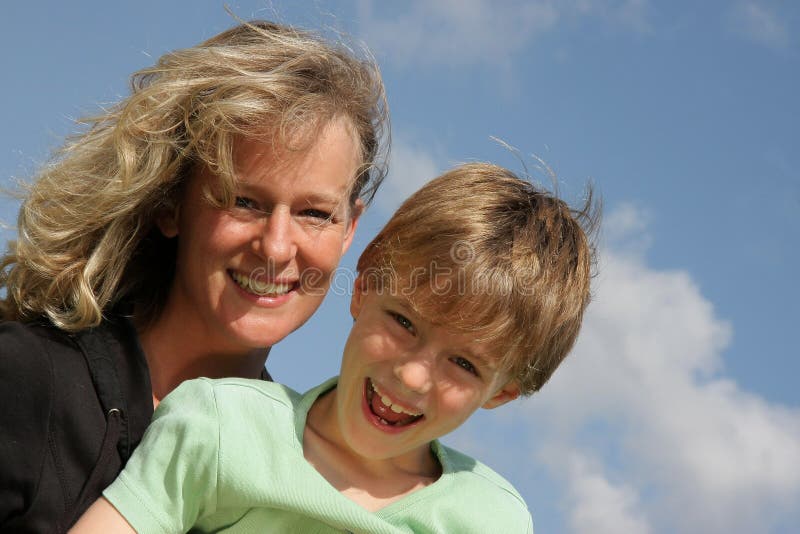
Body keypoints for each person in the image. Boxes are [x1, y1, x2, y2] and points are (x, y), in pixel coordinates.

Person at [0, 20, 388, 532]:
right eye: (242, 201)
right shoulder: (25, 378)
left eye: (315, 213)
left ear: (350, 229)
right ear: (170, 203)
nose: (275, 246)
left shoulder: (300, 473)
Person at [72, 162, 599, 533]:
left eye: (463, 363)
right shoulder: (220, 426)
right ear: (365, 286)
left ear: (503, 391)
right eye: (403, 322)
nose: (413, 377)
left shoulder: (488, 520)